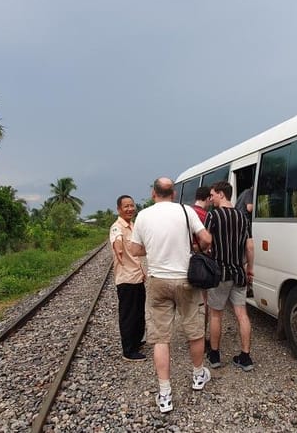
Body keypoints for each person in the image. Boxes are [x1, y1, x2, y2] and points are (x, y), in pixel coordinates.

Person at [128, 177, 213, 413]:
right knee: (194, 331)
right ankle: (198, 376)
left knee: (160, 337)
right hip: (186, 279)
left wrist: (153, 248)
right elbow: (206, 239)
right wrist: (194, 248)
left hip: (157, 282)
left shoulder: (143, 215)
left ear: (153, 194)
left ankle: (165, 394)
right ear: (173, 194)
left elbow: (135, 250)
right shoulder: (186, 211)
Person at [204, 181, 255, 371]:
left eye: (213, 195)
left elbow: (205, 240)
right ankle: (245, 357)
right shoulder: (243, 217)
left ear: (221, 194)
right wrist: (250, 268)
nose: (211, 198)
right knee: (242, 314)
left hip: (219, 273)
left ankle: (215, 355)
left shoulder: (213, 215)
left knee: (216, 314)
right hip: (239, 273)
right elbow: (249, 246)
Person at [109, 195, 147, 361]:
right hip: (126, 279)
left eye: (132, 205)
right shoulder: (117, 227)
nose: (130, 209)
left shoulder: (132, 225)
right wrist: (118, 249)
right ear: (119, 209)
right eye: (126, 206)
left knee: (139, 312)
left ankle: (136, 342)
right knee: (128, 315)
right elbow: (117, 241)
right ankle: (128, 350)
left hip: (137, 277)